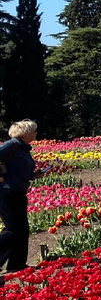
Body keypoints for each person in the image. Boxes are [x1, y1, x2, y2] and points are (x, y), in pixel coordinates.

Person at [0, 119, 49, 282]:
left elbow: (19, 170)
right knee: (13, 229)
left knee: (22, 229)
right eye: (33, 131)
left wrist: (35, 175)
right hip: (6, 192)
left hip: (18, 191)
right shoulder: (11, 145)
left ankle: (17, 263)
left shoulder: (24, 149)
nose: (36, 133)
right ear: (25, 132)